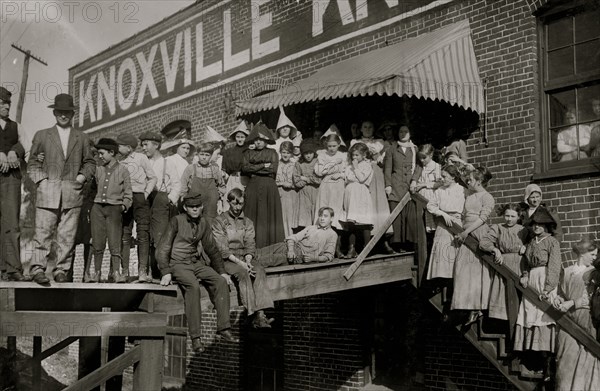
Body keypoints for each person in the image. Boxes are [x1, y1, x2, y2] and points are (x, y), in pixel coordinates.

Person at [157, 189, 238, 353]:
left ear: (202, 207)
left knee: (220, 281)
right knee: (193, 286)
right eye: (190, 207)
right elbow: (163, 248)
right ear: (185, 208)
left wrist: (222, 271)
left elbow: (212, 249)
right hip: (178, 264)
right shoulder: (176, 221)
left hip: (195, 263)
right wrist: (165, 271)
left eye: (197, 206)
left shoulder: (203, 223)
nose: (194, 209)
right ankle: (196, 338)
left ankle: (223, 328)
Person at [28, 94, 96, 284]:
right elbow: (32, 162)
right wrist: (41, 181)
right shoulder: (42, 135)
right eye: (60, 112)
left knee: (67, 236)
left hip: (72, 193)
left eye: (67, 112)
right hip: (47, 191)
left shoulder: (81, 137)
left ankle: (61, 270)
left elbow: (90, 163)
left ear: (72, 114)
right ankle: (37, 269)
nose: (63, 115)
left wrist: (80, 179)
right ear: (54, 112)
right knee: (43, 233)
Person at [212, 189, 276, 329]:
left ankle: (260, 315)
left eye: (240, 204)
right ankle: (252, 313)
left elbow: (250, 243)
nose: (237, 207)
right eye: (234, 204)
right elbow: (222, 248)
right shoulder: (219, 221)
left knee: (259, 270)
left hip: (244, 256)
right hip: (228, 259)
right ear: (228, 202)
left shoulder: (248, 222)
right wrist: (241, 264)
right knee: (243, 273)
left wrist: (248, 260)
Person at [514, 207, 561, 381]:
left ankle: (548, 368)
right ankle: (532, 362)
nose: (537, 227)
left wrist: (548, 288)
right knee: (529, 316)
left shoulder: (552, 242)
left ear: (547, 226)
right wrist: (525, 275)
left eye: (541, 225)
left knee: (544, 318)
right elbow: (525, 263)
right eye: (534, 224)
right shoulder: (531, 242)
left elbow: (555, 266)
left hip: (545, 280)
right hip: (532, 281)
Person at [553, 237, 600, 390]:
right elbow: (560, 292)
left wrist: (572, 303)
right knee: (565, 355)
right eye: (592, 254)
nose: (594, 258)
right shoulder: (566, 272)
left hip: (585, 318)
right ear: (582, 253)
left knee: (586, 357)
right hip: (567, 319)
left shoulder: (593, 273)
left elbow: (591, 298)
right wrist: (558, 300)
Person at [450, 166, 495, 325]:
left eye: (471, 180)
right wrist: (460, 164)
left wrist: (466, 232)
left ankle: (479, 307)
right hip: (466, 232)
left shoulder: (487, 197)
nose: (467, 182)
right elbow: (461, 176)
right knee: (462, 268)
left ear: (479, 181)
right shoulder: (469, 194)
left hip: (477, 232)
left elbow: (482, 219)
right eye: (467, 180)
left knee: (478, 272)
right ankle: (468, 306)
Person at [90, 138, 132, 283]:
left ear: (112, 152)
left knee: (115, 242)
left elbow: (128, 194)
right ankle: (96, 273)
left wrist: (122, 207)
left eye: (102, 153)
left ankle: (116, 272)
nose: (99, 156)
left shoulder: (123, 170)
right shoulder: (98, 169)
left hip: (114, 210)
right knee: (98, 241)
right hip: (98, 209)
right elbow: (93, 189)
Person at [425, 165, 466, 315]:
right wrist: (442, 214)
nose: (442, 179)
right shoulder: (439, 191)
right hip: (444, 223)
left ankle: (453, 297)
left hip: (456, 224)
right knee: (442, 260)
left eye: (445, 176)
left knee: (455, 260)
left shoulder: (461, 190)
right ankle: (443, 292)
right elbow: (430, 206)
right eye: (442, 176)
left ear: (454, 177)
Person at [117, 133, 157, 282]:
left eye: (120, 146)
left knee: (142, 234)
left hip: (140, 197)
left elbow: (153, 177)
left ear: (128, 147)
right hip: (125, 200)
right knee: (125, 234)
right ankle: (124, 271)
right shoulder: (120, 162)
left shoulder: (141, 158)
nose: (118, 148)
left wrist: (145, 193)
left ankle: (142, 271)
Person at [141, 131, 181, 279]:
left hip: (161, 200)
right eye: (142, 145)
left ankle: (164, 272)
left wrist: (170, 199)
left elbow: (177, 184)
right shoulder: (143, 162)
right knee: (146, 236)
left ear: (156, 145)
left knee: (160, 238)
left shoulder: (167, 162)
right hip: (145, 201)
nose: (143, 148)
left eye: (146, 144)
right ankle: (150, 272)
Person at [479, 203, 528, 323]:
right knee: (503, 295)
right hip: (504, 264)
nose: (509, 219)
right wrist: (495, 250)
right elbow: (483, 243)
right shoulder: (498, 228)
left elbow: (533, 244)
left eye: (513, 216)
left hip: (520, 265)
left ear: (518, 217)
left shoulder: (524, 230)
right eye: (507, 216)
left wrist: (526, 246)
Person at [352, 120, 395, 254]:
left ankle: (383, 240)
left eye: (370, 127)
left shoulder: (379, 142)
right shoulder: (355, 142)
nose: (368, 129)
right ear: (360, 129)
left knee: (379, 204)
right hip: (361, 174)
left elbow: (380, 158)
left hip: (376, 173)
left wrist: (376, 154)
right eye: (365, 127)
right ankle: (363, 242)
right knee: (365, 206)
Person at [241, 123, 285, 248]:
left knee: (268, 215)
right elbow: (245, 168)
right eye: (256, 139)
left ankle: (271, 247)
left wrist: (254, 168)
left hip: (269, 186)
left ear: (266, 140)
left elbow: (272, 169)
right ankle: (252, 246)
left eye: (261, 139)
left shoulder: (272, 153)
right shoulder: (248, 153)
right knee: (252, 214)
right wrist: (262, 166)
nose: (259, 142)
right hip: (253, 186)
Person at [0, 86, 26, 281]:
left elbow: (27, 143)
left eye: (8, 103)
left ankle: (13, 268)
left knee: (11, 223)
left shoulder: (17, 126)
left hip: (11, 179)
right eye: (2, 103)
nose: (6, 107)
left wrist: (14, 151)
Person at [256, 207, 338, 266]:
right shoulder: (311, 228)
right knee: (260, 252)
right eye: (320, 216)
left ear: (332, 218)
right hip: (289, 247)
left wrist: (314, 258)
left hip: (297, 256)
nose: (322, 218)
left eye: (325, 216)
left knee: (265, 260)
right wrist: (290, 249)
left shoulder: (332, 234)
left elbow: (328, 256)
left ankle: (245, 266)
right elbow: (293, 238)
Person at [384, 125, 418, 251]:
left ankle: (409, 244)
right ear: (397, 133)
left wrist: (414, 180)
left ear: (410, 133)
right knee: (396, 215)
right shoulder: (392, 149)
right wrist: (388, 185)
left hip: (410, 187)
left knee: (410, 216)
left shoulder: (414, 149)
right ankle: (397, 244)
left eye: (406, 131)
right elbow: (387, 168)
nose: (403, 133)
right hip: (396, 186)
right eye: (401, 131)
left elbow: (419, 167)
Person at [341, 142, 374, 259]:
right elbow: (347, 178)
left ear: (364, 155)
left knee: (363, 221)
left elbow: (361, 178)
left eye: (357, 155)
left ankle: (366, 248)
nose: (354, 158)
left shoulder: (367, 165)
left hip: (361, 195)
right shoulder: (349, 166)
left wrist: (355, 169)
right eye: (353, 155)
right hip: (350, 195)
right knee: (352, 222)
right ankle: (352, 248)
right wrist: (353, 172)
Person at [180, 142, 225, 220]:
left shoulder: (215, 169)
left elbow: (221, 186)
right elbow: (183, 186)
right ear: (198, 155)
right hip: (195, 203)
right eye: (202, 154)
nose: (204, 157)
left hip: (211, 204)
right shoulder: (190, 168)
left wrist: (220, 202)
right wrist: (184, 199)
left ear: (211, 156)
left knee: (210, 223)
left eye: (207, 155)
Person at [410, 144, 442, 233]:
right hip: (420, 197)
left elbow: (439, 183)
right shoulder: (420, 167)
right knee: (421, 221)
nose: (422, 160)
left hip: (431, 196)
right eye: (420, 158)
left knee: (432, 221)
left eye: (424, 158)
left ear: (431, 155)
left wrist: (424, 184)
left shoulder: (436, 166)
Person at [221, 121, 250, 211]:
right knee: (231, 201)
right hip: (233, 179)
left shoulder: (249, 151)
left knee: (243, 201)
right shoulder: (229, 151)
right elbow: (225, 170)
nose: (240, 139)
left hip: (245, 179)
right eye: (238, 137)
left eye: (242, 137)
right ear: (235, 138)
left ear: (246, 138)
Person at [293, 139, 321, 229]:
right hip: (304, 194)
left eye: (310, 153)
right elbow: (297, 181)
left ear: (314, 152)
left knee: (316, 215)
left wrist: (305, 178)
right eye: (306, 153)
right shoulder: (299, 164)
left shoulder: (317, 162)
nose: (308, 156)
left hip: (316, 192)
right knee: (305, 217)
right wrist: (305, 181)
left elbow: (319, 179)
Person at [276, 141, 299, 237]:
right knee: (280, 217)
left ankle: (290, 240)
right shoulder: (276, 164)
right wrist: (281, 183)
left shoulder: (295, 164)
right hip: (279, 192)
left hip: (291, 194)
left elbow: (297, 180)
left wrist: (291, 184)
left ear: (292, 153)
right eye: (283, 152)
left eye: (288, 152)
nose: (285, 155)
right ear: (280, 152)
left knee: (290, 218)